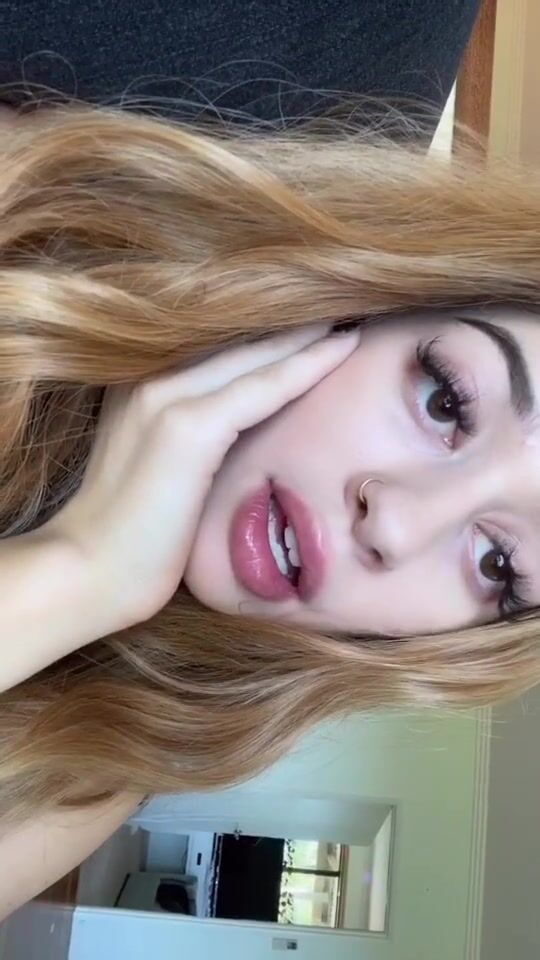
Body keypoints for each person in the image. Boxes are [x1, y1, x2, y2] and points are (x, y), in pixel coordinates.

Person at [0, 0, 506, 920]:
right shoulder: (28, 201)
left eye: (499, 564)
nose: (396, 525)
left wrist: (78, 575)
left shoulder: (102, 760)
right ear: (375, 292)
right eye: (446, 400)